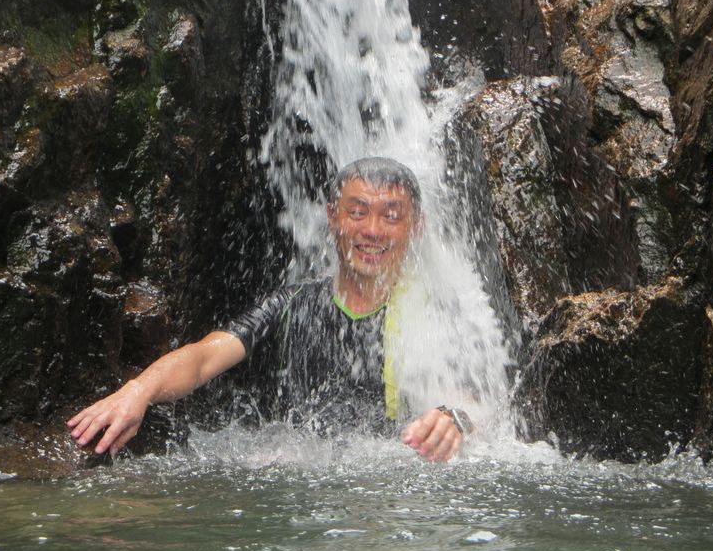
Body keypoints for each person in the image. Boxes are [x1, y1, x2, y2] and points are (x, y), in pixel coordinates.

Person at [68, 157, 474, 462]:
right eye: (357, 211)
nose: (372, 230)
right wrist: (138, 391)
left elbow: (478, 399)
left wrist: (456, 419)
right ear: (332, 216)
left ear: (416, 225)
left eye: (391, 216)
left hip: (400, 498)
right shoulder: (291, 304)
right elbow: (205, 356)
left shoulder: (434, 311)